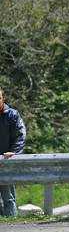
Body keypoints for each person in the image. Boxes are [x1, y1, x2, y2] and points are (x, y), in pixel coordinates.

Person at [0, 88, 26, 217]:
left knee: (8, 196)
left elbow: (20, 136)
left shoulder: (12, 114)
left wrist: (13, 152)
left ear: (3, 99)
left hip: (5, 161)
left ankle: (11, 220)